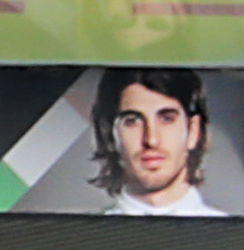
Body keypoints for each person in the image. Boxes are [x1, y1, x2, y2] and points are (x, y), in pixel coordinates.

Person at [92, 65, 225, 216]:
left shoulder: (232, 236)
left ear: (194, 131)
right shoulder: (82, 235)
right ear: (109, 134)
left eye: (167, 119)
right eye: (132, 121)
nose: (151, 140)